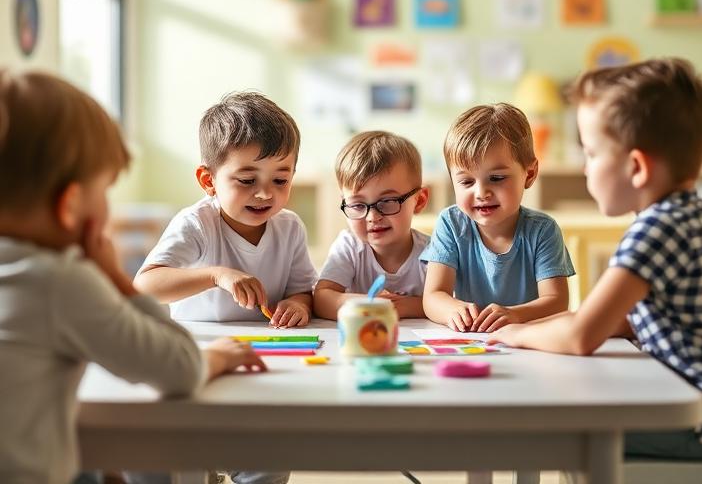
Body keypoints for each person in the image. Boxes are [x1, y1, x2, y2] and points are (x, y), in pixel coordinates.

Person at [0, 70, 265, 484]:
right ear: (71, 205)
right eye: (105, 189)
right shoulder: (60, 282)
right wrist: (114, 276)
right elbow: (178, 368)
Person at [488, 58, 702, 459]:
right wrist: (532, 324)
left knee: (537, 426)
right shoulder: (683, 213)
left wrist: (517, 335)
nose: (585, 168)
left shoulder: (657, 231)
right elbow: (619, 321)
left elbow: (582, 336)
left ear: (636, 167)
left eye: (591, 154)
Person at [135, 91, 316, 328]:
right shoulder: (196, 224)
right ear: (208, 181)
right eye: (247, 181)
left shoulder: (290, 227)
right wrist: (217, 276)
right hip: (204, 343)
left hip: (266, 341)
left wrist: (298, 305)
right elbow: (144, 286)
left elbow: (303, 291)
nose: (265, 194)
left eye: (280, 181)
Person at [421, 103, 574, 333]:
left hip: (527, 340)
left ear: (529, 174)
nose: (481, 193)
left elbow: (557, 301)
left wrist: (514, 315)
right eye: (466, 182)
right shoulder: (451, 224)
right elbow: (433, 296)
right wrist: (453, 310)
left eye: (496, 178)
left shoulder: (543, 230)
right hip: (474, 340)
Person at [314, 131, 430, 319]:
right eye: (357, 205)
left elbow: (446, 302)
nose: (373, 217)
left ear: (419, 201)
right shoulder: (350, 246)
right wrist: (371, 304)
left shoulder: (433, 253)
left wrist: (399, 306)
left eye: (387, 202)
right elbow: (321, 299)